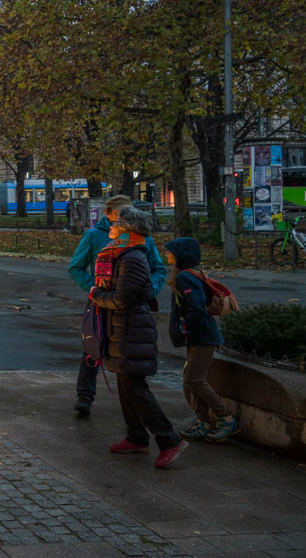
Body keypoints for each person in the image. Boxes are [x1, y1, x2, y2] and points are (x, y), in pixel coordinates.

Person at [89, 207, 188, 468]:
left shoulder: (132, 257)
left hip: (132, 330)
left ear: (127, 228)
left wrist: (96, 295)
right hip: (122, 329)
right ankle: (136, 437)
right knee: (126, 385)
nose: (110, 224)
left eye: (116, 222)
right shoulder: (122, 253)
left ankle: (169, 440)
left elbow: (123, 298)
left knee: (135, 387)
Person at [68, 194, 166, 418]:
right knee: (93, 347)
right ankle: (85, 396)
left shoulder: (140, 237)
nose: (123, 218)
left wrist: (149, 291)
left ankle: (134, 413)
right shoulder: (95, 236)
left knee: (126, 354)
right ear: (108, 213)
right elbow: (76, 266)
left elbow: (158, 268)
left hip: (128, 306)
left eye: (127, 213)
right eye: (120, 214)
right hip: (101, 302)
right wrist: (94, 289)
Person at [163, 237, 240, 443]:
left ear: (181, 255)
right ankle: (203, 421)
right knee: (191, 380)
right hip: (200, 336)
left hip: (201, 336)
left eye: (170, 252)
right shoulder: (192, 274)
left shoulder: (184, 278)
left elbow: (196, 307)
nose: (167, 254)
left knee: (194, 380)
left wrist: (186, 326)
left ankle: (225, 418)